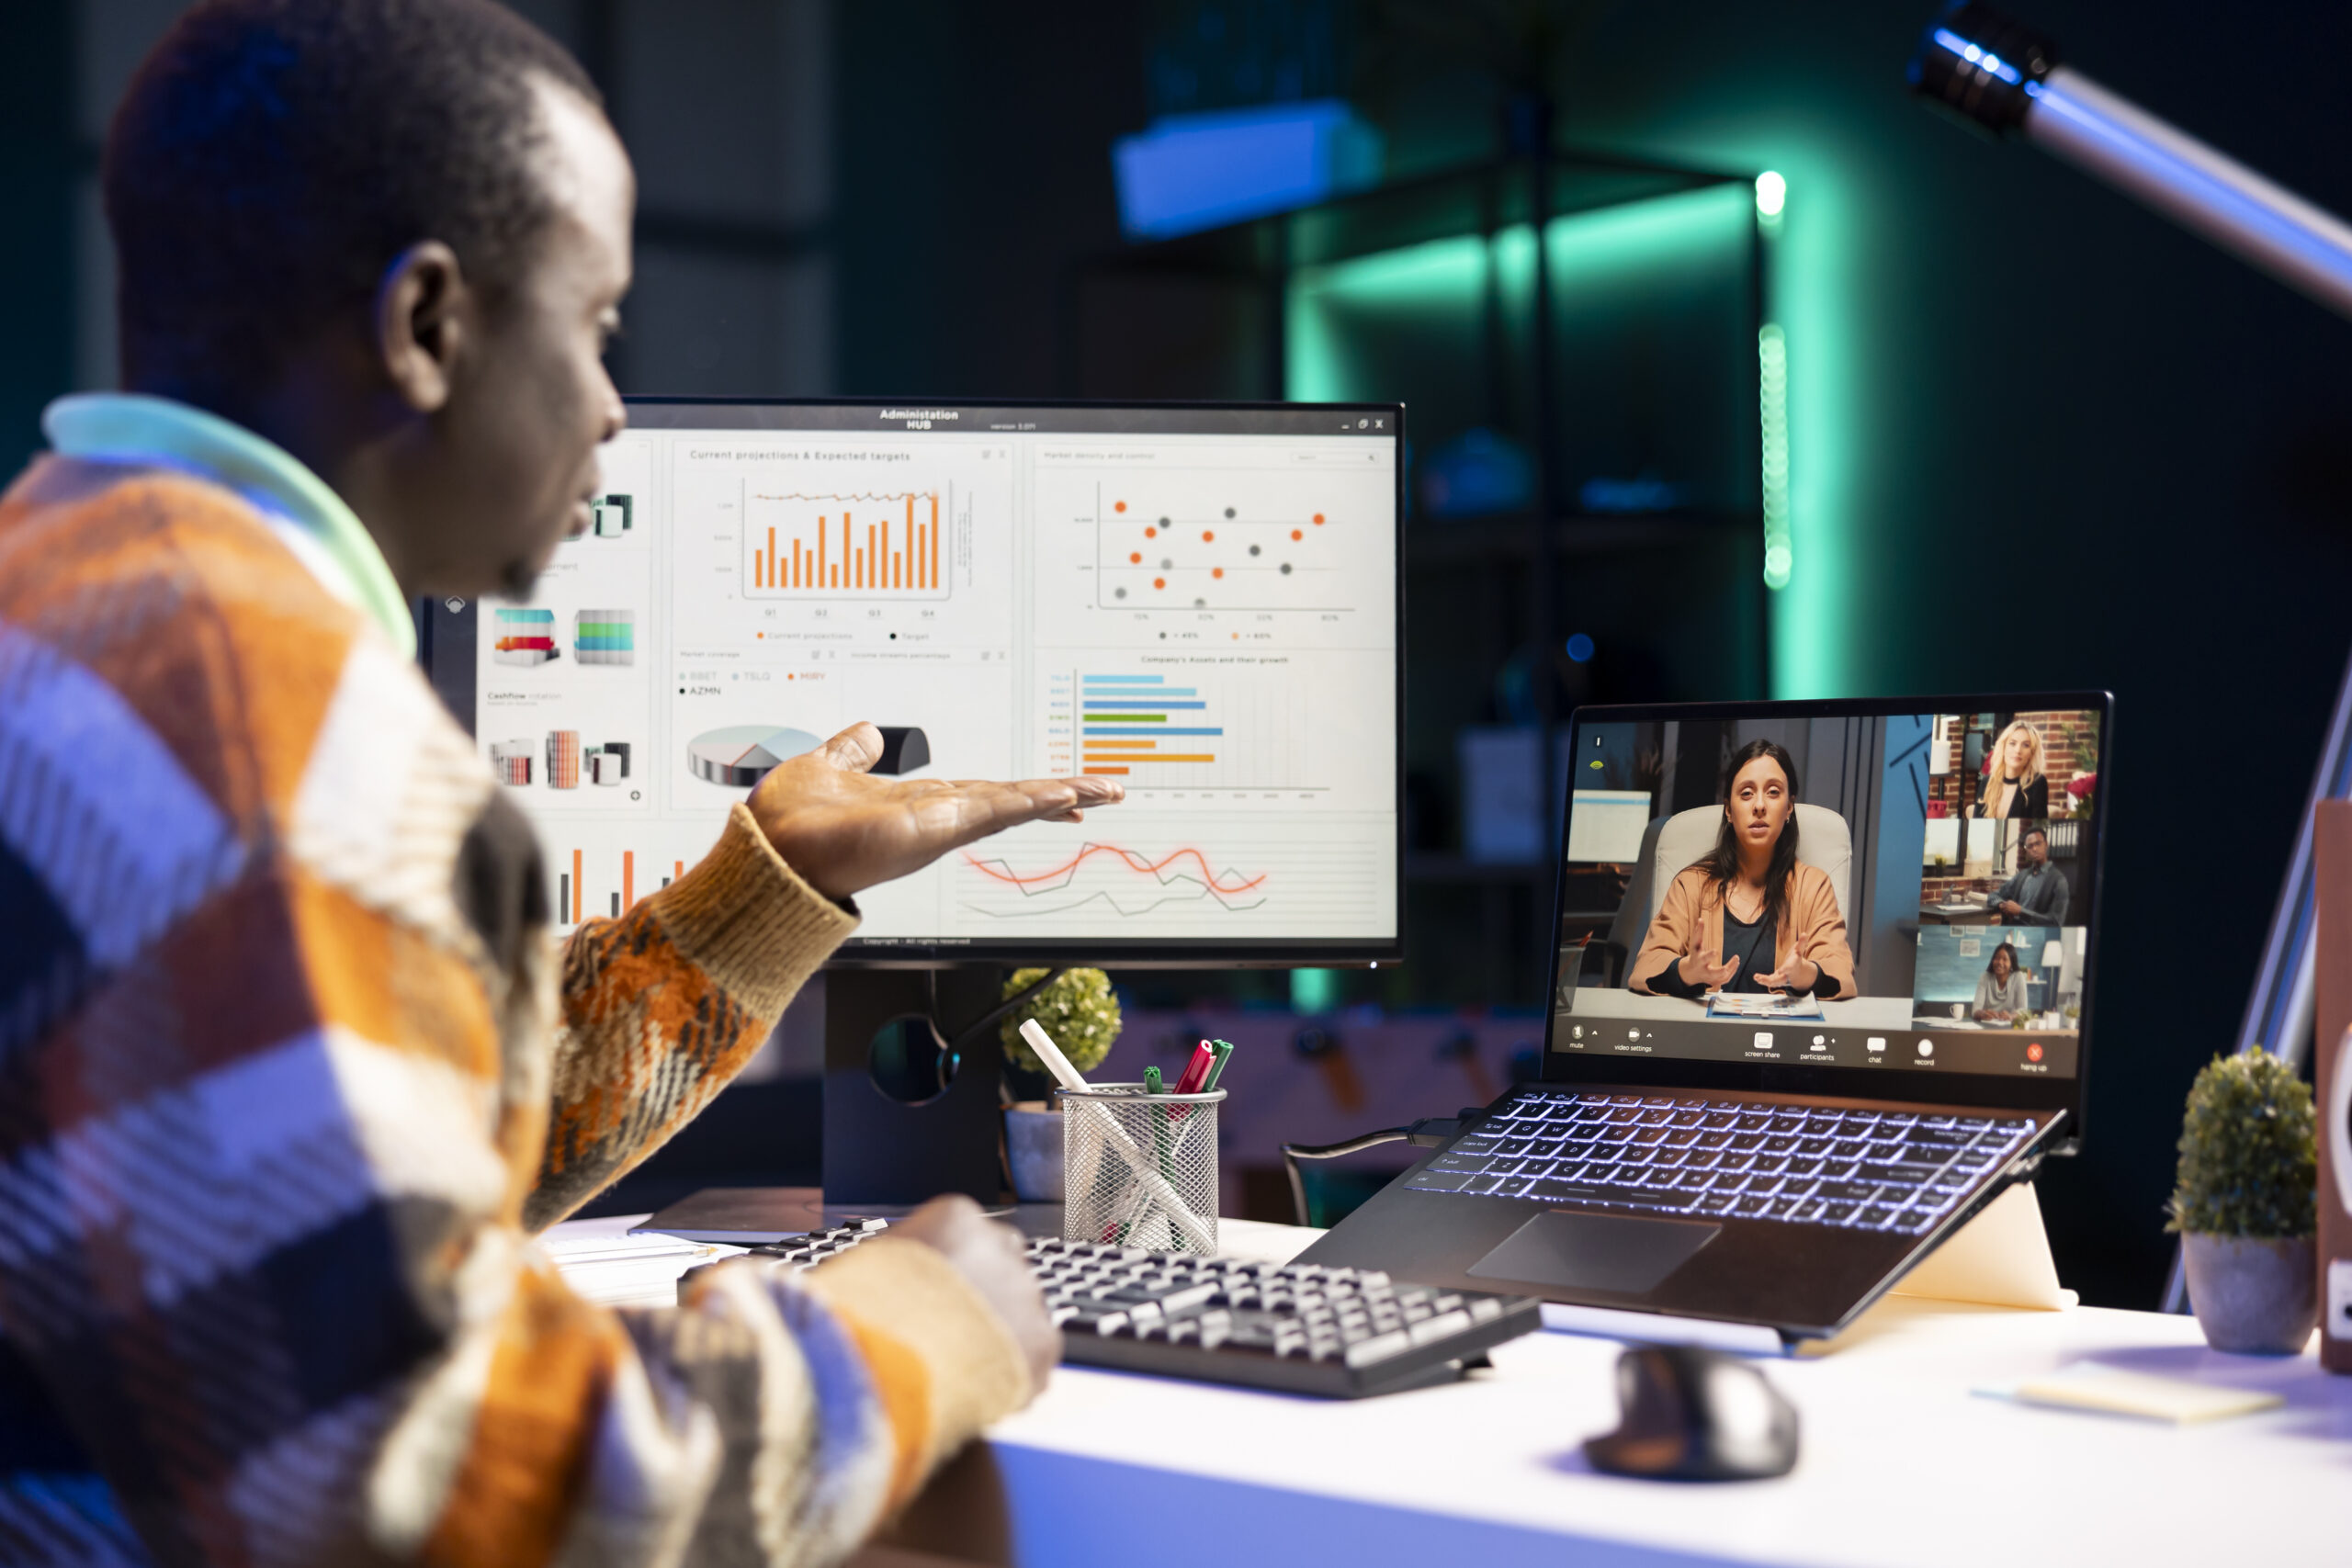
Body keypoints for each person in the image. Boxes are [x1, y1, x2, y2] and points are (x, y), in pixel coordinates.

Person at [0, 5, 1123, 1564]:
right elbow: (422, 1478)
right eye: (594, 323)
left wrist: (766, 892)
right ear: (428, 325)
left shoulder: (67, 595)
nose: (609, 403)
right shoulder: (279, 733)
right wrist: (914, 1329)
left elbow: (368, 1158)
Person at [1629, 739, 1857, 1000]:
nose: (1759, 805)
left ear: (1789, 807)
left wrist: (1806, 974)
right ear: (1728, 809)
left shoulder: (1814, 887)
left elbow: (1840, 972)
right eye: (1746, 793)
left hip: (1781, 1037)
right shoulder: (1690, 884)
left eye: (1773, 792)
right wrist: (1687, 971)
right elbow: (1646, 967)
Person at [1988, 825, 2070, 927]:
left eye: (2038, 843)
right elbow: (1992, 896)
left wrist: (2020, 912)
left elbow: (2056, 922)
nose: (2034, 849)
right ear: (2026, 850)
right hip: (2012, 927)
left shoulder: (2059, 880)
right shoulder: (2022, 875)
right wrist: (2002, 905)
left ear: (2046, 845)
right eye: (2029, 846)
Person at [1973, 718, 2050, 818]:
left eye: (2026, 745)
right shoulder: (1987, 782)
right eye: (2012, 743)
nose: (2018, 750)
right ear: (2003, 748)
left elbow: (2037, 829)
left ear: (2032, 753)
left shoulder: (2037, 783)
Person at [1972, 942, 2030, 1023]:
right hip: (1986, 1026)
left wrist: (2011, 1016)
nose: (2000, 962)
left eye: (2005, 959)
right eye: (1997, 958)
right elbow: (1975, 1010)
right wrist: (1983, 1014)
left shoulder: (2018, 977)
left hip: (2009, 1028)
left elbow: (2023, 1010)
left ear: (2012, 963)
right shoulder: (1985, 977)